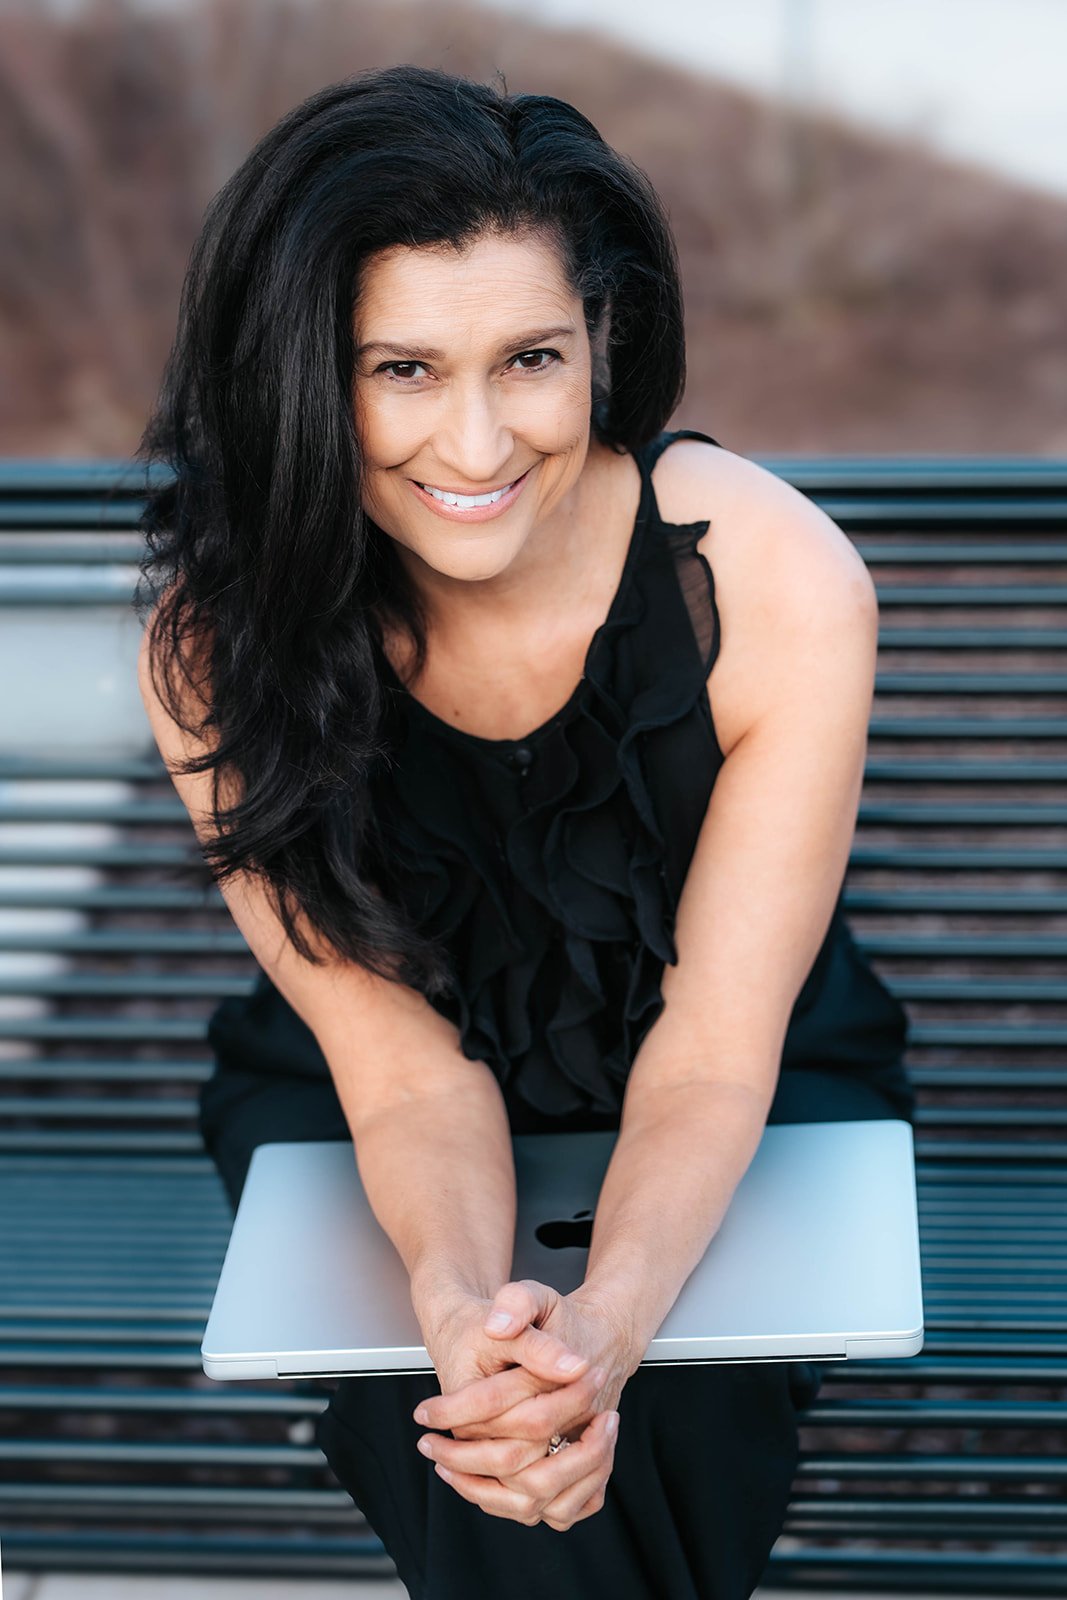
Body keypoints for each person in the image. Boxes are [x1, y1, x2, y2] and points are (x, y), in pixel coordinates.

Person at [135, 62, 916, 1600]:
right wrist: (467, 1322)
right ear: (300, 376)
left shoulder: (773, 583)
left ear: (603, 342)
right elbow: (404, 1074)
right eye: (402, 371)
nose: (479, 446)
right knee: (490, 1444)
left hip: (726, 1091)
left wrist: (602, 1332)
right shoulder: (220, 641)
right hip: (369, 1113)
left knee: (610, 1437)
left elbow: (709, 1056)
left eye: (530, 359)